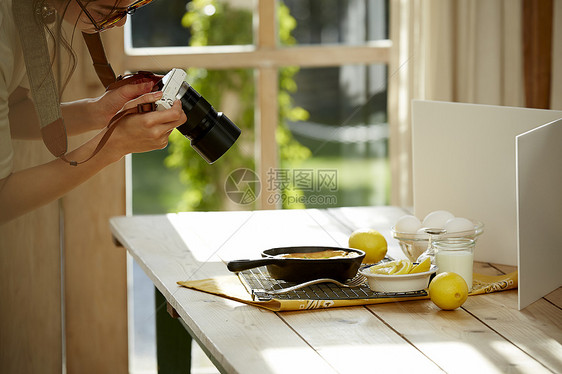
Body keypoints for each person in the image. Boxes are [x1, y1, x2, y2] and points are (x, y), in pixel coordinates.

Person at [0, 0, 187, 223]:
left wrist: (99, 112)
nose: (123, 21)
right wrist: (114, 145)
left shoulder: (30, 10)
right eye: (116, 8)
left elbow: (13, 111)